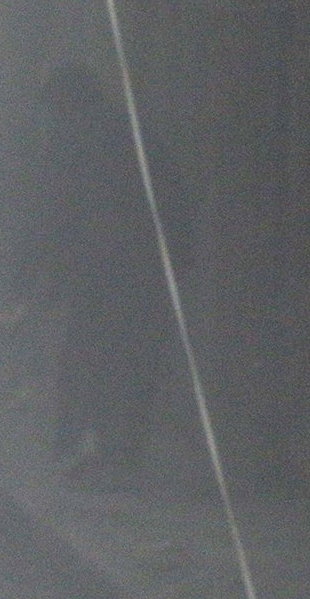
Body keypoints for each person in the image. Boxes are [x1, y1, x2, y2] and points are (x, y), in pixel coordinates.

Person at [23, 61, 191, 475]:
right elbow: (173, 195)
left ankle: (97, 455)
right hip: (143, 270)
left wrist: (45, 274)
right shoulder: (134, 131)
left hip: (96, 274)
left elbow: (58, 211)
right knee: (132, 363)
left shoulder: (70, 140)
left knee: (93, 362)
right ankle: (121, 455)